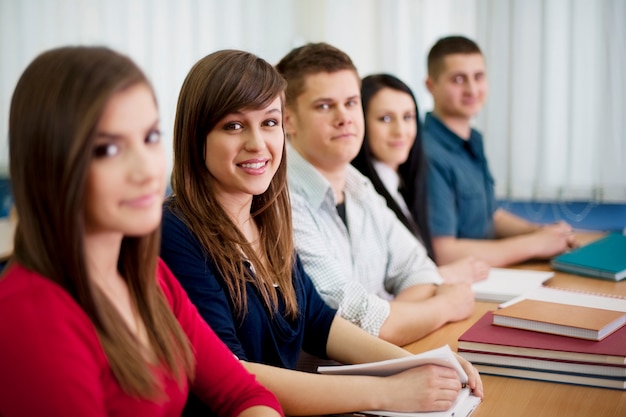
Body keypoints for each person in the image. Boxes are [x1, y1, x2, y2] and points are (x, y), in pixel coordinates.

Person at [160, 49, 483, 416]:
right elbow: (230, 372)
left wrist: (419, 364)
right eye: (233, 126)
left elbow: (317, 320)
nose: (257, 143)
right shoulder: (176, 231)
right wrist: (388, 392)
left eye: (269, 123)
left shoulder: (266, 217)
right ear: (196, 135)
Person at [0, 46, 283, 417]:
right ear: (50, 163)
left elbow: (245, 395)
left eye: (150, 138)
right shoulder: (30, 320)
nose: (147, 170)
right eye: (109, 149)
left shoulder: (146, 277)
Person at [275, 42, 474, 347]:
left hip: (385, 361)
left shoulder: (358, 184)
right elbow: (360, 326)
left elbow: (420, 271)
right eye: (325, 106)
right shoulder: (280, 200)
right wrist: (446, 306)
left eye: (352, 102)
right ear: (288, 119)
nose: (345, 118)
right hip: (326, 382)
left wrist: (393, 319)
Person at [422, 35, 577, 268]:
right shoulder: (427, 153)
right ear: (431, 86)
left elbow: (490, 216)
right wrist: (535, 244)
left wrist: (542, 233)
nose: (472, 89)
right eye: (458, 79)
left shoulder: (473, 140)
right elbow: (444, 252)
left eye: (478, 77)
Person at [352, 73, 490, 283]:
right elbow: (377, 286)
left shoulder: (404, 183)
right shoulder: (359, 193)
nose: (400, 131)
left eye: (408, 117)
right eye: (385, 119)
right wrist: (444, 275)